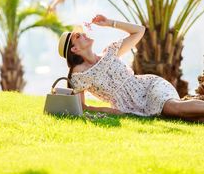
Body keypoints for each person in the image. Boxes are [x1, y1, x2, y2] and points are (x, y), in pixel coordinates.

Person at [58, 14, 204, 122]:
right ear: (74, 50)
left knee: (173, 108)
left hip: (149, 86)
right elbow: (81, 107)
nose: (83, 34)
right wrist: (108, 110)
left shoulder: (110, 52)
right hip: (128, 107)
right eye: (78, 36)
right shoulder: (78, 75)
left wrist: (109, 22)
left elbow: (139, 31)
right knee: (182, 116)